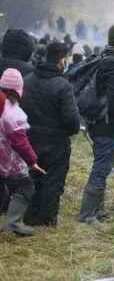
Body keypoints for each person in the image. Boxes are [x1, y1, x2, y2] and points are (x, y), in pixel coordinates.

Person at [79, 24, 114, 225]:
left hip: (102, 122)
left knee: (104, 164)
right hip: (106, 124)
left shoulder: (108, 58)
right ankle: (87, 214)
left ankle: (97, 208)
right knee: (101, 167)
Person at [20, 43, 80, 227]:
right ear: (62, 59)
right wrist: (70, 131)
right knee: (52, 180)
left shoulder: (27, 80)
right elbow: (72, 120)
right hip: (56, 142)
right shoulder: (63, 86)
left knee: (32, 177)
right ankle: (46, 219)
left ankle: (28, 215)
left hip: (30, 138)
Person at [0, 69, 46, 236]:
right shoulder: (13, 113)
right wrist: (32, 161)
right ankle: (13, 222)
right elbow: (20, 143)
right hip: (7, 160)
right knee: (25, 186)